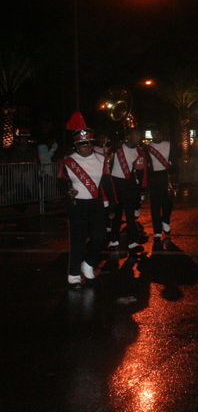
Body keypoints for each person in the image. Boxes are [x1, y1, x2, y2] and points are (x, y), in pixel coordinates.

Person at [57, 112, 113, 287]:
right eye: (82, 144)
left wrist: (111, 205)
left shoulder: (102, 160)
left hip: (96, 203)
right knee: (78, 240)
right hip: (77, 205)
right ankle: (74, 273)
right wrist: (68, 190)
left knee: (100, 236)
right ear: (76, 146)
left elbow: (106, 183)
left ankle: (88, 264)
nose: (86, 147)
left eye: (89, 143)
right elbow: (61, 182)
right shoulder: (67, 163)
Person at [107, 128, 148, 251]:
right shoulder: (117, 147)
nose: (138, 137)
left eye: (139, 135)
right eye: (136, 135)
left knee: (130, 215)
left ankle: (133, 242)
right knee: (116, 214)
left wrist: (142, 189)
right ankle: (114, 240)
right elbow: (109, 152)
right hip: (115, 183)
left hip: (129, 185)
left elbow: (141, 172)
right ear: (128, 136)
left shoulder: (140, 152)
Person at [145, 127, 177, 241]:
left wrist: (174, 178)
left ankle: (165, 220)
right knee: (155, 205)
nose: (157, 135)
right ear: (152, 135)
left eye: (159, 133)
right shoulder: (147, 148)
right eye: (155, 133)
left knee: (169, 202)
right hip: (152, 176)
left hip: (165, 175)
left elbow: (174, 162)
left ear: (161, 134)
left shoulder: (169, 145)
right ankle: (157, 231)